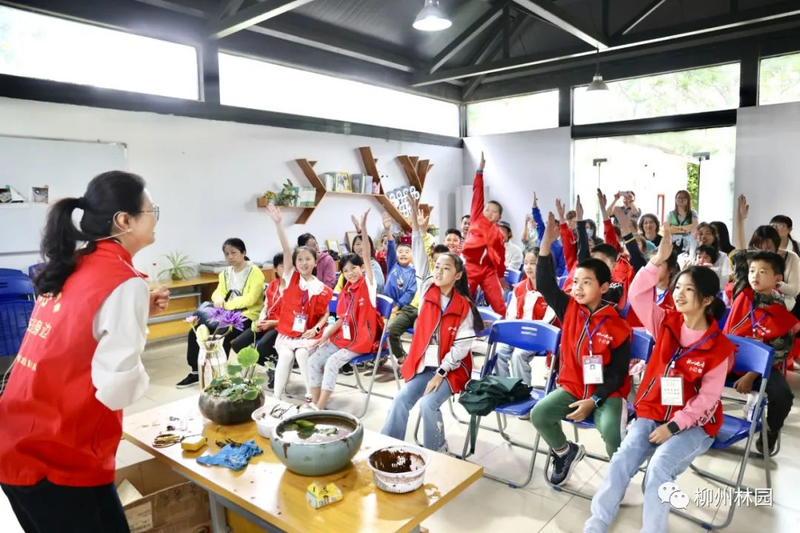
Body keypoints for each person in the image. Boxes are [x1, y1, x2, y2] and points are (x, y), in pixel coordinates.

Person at [0, 171, 170, 532]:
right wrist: (132, 324)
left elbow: (76, 327)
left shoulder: (76, 261)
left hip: (19, 436)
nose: (156, 218)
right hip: (57, 454)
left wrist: (134, 312)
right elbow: (117, 389)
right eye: (151, 210)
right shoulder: (124, 282)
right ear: (124, 221)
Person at [585, 226, 735, 533]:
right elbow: (637, 295)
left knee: (659, 468)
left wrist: (674, 426)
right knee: (622, 458)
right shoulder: (665, 321)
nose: (678, 293)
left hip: (693, 424)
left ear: (707, 299)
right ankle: (596, 525)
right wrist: (656, 261)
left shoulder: (719, 348)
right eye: (678, 286)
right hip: (653, 411)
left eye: (688, 289)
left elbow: (708, 400)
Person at [532, 212, 633, 486]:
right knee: (539, 414)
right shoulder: (568, 309)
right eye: (576, 281)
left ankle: (618, 478)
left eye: (586, 282)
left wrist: (594, 400)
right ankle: (565, 452)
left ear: (604, 287)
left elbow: (617, 374)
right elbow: (545, 284)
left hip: (606, 393)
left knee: (611, 431)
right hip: (573, 387)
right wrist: (545, 244)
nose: (577, 288)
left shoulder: (618, 325)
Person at [382, 194, 483, 452]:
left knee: (428, 403)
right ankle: (386, 445)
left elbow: (461, 349)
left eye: (445, 268)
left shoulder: (464, 307)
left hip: (452, 369)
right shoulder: (427, 288)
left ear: (457, 275)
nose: (438, 271)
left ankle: (437, 451)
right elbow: (419, 255)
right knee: (401, 399)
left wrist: (441, 373)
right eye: (437, 266)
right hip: (425, 365)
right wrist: (417, 227)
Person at [723, 251, 798, 455]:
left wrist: (751, 375)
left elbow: (779, 352)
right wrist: (760, 252)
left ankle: (770, 431)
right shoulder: (743, 292)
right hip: (728, 359)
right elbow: (739, 256)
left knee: (782, 395)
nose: (755, 275)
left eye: (763, 272)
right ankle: (696, 423)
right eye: (752, 270)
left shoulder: (780, 311)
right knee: (693, 373)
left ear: (777, 279)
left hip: (760, 368)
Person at [308, 209, 381, 410]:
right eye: (345, 271)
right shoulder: (345, 291)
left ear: (362, 268)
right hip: (343, 337)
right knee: (313, 360)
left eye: (354, 268)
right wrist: (324, 336)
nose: (350, 273)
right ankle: (313, 401)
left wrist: (362, 228)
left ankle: (320, 406)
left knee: (332, 363)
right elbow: (340, 319)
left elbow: (367, 256)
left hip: (361, 340)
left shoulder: (369, 285)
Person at [266, 205, 333, 402]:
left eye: (308, 259)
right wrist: (279, 224)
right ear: (294, 263)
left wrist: (316, 328)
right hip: (288, 332)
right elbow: (287, 250)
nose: (304, 262)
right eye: (300, 259)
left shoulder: (321, 287)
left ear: (315, 261)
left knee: (303, 355)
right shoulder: (290, 277)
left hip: (307, 333)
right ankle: (276, 397)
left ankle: (310, 395)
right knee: (286, 356)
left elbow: (326, 313)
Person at [177, 238, 265, 388]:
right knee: (196, 330)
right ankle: (196, 371)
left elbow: (251, 299)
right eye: (227, 254)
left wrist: (227, 305)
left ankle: (220, 374)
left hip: (247, 315)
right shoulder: (225, 273)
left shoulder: (255, 272)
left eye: (233, 252)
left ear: (243, 253)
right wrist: (218, 299)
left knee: (221, 334)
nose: (230, 257)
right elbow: (219, 292)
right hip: (225, 314)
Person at [495, 248, 556, 385]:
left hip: (537, 334)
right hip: (517, 332)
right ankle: (504, 387)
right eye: (526, 262)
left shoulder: (552, 291)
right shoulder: (519, 287)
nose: (528, 267)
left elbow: (548, 320)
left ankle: (522, 390)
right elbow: (511, 315)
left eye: (533, 263)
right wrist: (515, 330)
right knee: (498, 351)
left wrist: (525, 331)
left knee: (518, 355)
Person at [733, 195, 800, 311]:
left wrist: (775, 284)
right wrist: (740, 220)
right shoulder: (744, 288)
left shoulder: (777, 302)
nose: (762, 253)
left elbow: (795, 290)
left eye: (762, 272)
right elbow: (740, 253)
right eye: (752, 271)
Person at [229, 252, 286, 388]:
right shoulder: (272, 286)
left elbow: (294, 315)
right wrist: (260, 321)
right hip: (266, 321)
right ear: (275, 268)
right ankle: (273, 364)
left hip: (282, 325)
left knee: (262, 347)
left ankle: (278, 366)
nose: (287, 269)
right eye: (282, 266)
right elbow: (266, 307)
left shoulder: (296, 287)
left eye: (289, 266)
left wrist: (274, 323)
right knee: (237, 344)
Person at [461, 152, 507, 315]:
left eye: (494, 212)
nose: (489, 213)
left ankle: (506, 327)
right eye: (487, 209)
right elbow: (478, 192)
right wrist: (479, 171)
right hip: (470, 267)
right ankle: (459, 326)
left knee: (499, 305)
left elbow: (501, 256)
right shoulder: (476, 217)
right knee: (463, 299)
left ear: (499, 217)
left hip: (489, 270)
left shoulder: (499, 234)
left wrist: (500, 276)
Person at [382, 211, 418, 364]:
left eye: (407, 251)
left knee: (390, 329)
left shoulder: (415, 272)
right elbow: (391, 246)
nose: (403, 254)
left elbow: (410, 292)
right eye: (400, 251)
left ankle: (402, 358)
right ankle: (381, 353)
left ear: (413, 255)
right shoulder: (393, 265)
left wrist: (398, 306)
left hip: (401, 309)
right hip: (386, 307)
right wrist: (388, 230)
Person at [532, 191, 567, 277]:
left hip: (551, 277)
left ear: (557, 229)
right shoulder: (542, 236)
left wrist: (552, 278)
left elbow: (561, 266)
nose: (549, 228)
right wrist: (535, 207)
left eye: (551, 225)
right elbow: (539, 221)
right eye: (547, 225)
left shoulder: (560, 247)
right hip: (536, 273)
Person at [667, 190, 698, 254]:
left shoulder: (693, 213)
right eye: (679, 197)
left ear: (688, 200)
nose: (681, 200)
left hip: (689, 244)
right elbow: (667, 229)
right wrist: (686, 228)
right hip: (673, 243)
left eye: (684, 198)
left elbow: (694, 228)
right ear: (675, 199)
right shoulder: (670, 214)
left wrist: (674, 228)